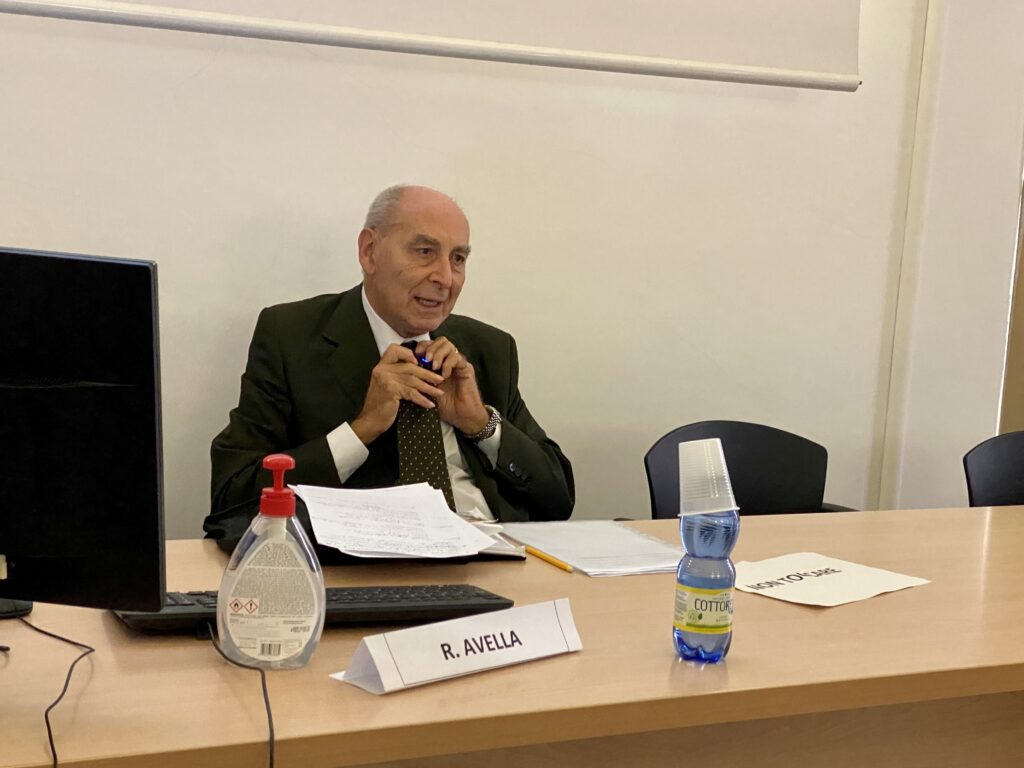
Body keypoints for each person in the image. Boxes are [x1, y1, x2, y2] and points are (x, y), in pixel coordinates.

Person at [205, 185, 574, 549]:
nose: (445, 278)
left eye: (458, 259)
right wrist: (362, 430)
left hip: (489, 555)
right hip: (367, 567)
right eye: (425, 252)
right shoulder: (291, 337)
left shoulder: (488, 348)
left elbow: (559, 499)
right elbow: (231, 499)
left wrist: (480, 424)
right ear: (369, 251)